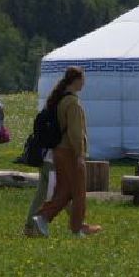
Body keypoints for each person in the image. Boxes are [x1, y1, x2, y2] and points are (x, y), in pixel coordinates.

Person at [29, 66, 102, 238]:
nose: (84, 83)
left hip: (59, 151)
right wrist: (79, 155)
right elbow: (76, 133)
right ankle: (68, 226)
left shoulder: (60, 100)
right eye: (82, 79)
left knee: (64, 189)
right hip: (70, 151)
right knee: (77, 191)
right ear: (76, 81)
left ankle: (45, 219)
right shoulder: (73, 103)